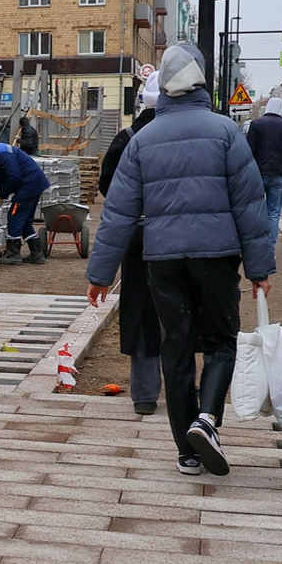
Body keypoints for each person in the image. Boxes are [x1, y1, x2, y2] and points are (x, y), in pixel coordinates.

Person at [85, 42, 275, 477]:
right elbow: (250, 205)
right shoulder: (227, 132)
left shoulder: (142, 139)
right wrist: (259, 268)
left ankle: (187, 453)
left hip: (163, 260)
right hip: (217, 256)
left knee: (176, 346)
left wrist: (100, 274)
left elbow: (118, 213)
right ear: (202, 83)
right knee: (221, 342)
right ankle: (208, 419)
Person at [99, 79, 162, 416]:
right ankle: (191, 397)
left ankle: (145, 395)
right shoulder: (203, 133)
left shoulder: (128, 138)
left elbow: (108, 186)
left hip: (138, 239)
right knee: (184, 314)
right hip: (189, 240)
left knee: (142, 312)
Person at [245, 95, 282, 235]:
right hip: (278, 172)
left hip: (258, 173)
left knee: (255, 209)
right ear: (281, 109)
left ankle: (257, 243)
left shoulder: (256, 124)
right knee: (274, 212)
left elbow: (248, 150)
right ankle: (271, 245)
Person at [0, 136, 49, 265]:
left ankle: (13, 254)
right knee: (25, 221)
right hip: (34, 183)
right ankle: (36, 253)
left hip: (29, 185)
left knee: (15, 216)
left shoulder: (1, 154)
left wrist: (1, 194)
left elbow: (13, 176)